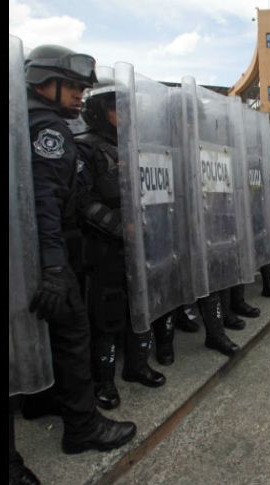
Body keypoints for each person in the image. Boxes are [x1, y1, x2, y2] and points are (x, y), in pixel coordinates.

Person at [23, 44, 136, 453]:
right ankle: (83, 427)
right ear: (41, 82)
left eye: (81, 87)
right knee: (73, 335)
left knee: (38, 332)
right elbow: (45, 204)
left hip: (33, 253)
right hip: (51, 252)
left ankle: (42, 397)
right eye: (69, 85)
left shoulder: (29, 122)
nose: (78, 94)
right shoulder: (49, 130)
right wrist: (54, 268)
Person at [75, 86, 166, 410]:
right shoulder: (84, 148)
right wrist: (119, 227)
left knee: (139, 303)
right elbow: (81, 202)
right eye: (116, 109)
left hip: (140, 243)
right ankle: (103, 381)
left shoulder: (134, 147)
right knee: (106, 314)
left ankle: (137, 366)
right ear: (99, 112)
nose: (124, 116)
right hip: (103, 247)